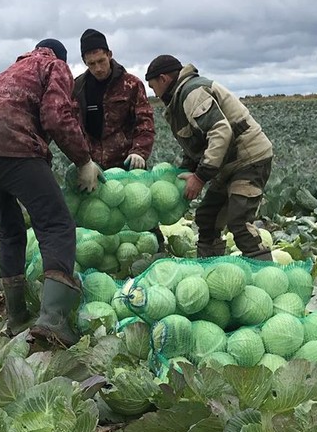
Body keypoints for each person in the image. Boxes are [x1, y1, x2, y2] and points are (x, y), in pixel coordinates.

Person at [0, 38, 104, 346]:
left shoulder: (11, 70)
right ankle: (52, 320)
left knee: (11, 228)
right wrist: (84, 160)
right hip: (13, 142)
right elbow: (56, 116)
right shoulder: (54, 65)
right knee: (56, 224)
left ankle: (16, 318)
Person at [145, 55, 274, 260]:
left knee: (239, 223)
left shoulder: (192, 93)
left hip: (248, 159)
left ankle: (267, 276)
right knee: (207, 217)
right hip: (229, 164)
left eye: (153, 87)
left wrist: (200, 177)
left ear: (163, 79)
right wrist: (185, 170)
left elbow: (220, 132)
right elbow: (197, 142)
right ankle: (210, 266)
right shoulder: (181, 96)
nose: (154, 93)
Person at [73, 29, 155, 170]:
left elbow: (145, 123)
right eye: (91, 64)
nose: (98, 68)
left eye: (101, 61)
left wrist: (139, 152)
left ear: (109, 55)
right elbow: (73, 127)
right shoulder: (77, 87)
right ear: (84, 62)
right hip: (93, 168)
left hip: (127, 164)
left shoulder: (131, 84)